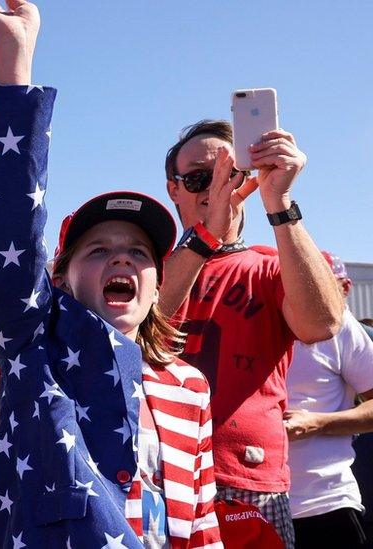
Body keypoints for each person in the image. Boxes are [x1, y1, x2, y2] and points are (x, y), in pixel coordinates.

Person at [0, 2, 221, 547]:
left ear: (157, 285)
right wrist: (16, 64)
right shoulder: (35, 346)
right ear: (59, 280)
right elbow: (12, 231)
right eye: (98, 250)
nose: (121, 259)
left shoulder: (190, 387)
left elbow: (201, 522)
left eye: (139, 252)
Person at [156, 107, 343, 545]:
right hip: (156, 472)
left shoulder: (270, 265)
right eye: (201, 178)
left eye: (234, 173)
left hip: (247, 479)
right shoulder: (144, 269)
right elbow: (132, 336)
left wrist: (279, 202)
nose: (218, 188)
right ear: (174, 190)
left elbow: (323, 323)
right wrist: (205, 237)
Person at [285, 251, 373, 548]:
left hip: (324, 502)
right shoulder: (249, 316)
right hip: (245, 503)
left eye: (319, 282)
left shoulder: (342, 327)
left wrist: (318, 423)